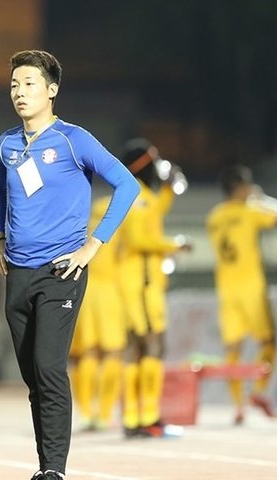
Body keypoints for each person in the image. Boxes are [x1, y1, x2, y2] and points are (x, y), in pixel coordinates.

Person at [0, 50, 140, 480]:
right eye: (14, 85)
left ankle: (54, 470)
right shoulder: (6, 144)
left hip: (61, 271)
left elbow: (127, 184)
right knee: (34, 377)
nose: (19, 92)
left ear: (51, 90)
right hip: (17, 271)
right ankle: (45, 466)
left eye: (29, 84)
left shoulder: (74, 139)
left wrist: (93, 245)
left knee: (49, 368)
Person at [118, 138, 190, 438]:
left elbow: (155, 212)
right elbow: (139, 240)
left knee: (137, 349)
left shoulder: (139, 195)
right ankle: (147, 417)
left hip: (138, 282)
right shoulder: (137, 198)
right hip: (141, 283)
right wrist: (175, 245)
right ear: (144, 167)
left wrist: (170, 189)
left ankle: (135, 418)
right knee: (152, 346)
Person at [206, 164, 277, 424]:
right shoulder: (250, 211)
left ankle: (238, 406)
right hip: (251, 287)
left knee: (233, 348)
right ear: (239, 188)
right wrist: (262, 199)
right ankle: (258, 392)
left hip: (226, 288)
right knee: (268, 343)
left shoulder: (214, 217)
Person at [69, 196, 126, 432]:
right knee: (112, 352)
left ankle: (85, 413)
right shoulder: (116, 228)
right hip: (109, 292)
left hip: (82, 290)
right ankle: (104, 413)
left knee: (85, 353)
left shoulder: (80, 227)